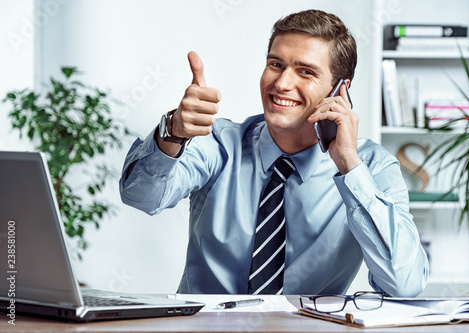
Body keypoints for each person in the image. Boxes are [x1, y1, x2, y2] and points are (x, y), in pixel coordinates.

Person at [119, 9, 429, 296]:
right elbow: (141, 196)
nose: (281, 83)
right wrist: (172, 131)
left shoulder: (371, 167)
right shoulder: (217, 141)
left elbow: (404, 284)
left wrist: (349, 166)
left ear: (340, 91)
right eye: (276, 65)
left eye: (305, 72)